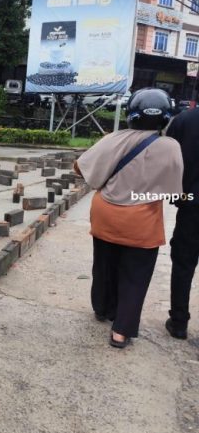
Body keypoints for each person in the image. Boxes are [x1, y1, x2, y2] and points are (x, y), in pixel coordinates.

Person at [76, 88, 183, 348]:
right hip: (142, 222)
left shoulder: (114, 139)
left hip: (106, 215)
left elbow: (80, 167)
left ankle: (102, 309)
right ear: (165, 117)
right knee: (135, 277)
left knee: (104, 265)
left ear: (131, 114)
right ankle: (120, 332)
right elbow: (173, 190)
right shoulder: (170, 147)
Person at [165, 104, 199, 339]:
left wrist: (175, 194)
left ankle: (178, 323)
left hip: (191, 206)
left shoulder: (183, 121)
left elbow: (169, 162)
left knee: (184, 264)